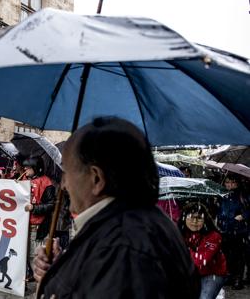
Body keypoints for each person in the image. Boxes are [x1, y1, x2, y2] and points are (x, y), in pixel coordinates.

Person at [32, 117, 200, 298]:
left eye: (67, 172)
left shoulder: (123, 249)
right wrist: (62, 268)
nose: (64, 185)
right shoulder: (129, 228)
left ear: (96, 178)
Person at [179, 202, 227, 299]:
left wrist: (182, 248)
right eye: (191, 217)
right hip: (190, 274)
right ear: (184, 219)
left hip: (212, 273)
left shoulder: (214, 236)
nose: (194, 221)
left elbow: (200, 261)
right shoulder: (178, 233)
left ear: (205, 220)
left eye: (199, 218)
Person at [217, 176, 249, 290]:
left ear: (237, 183)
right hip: (225, 230)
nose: (230, 184)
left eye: (232, 182)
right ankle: (230, 276)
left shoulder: (243, 195)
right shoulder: (222, 195)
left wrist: (243, 216)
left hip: (239, 230)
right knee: (227, 254)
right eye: (227, 182)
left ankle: (238, 279)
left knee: (238, 256)